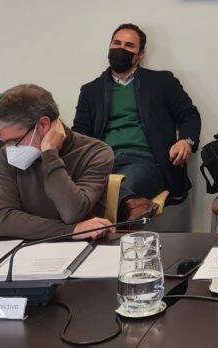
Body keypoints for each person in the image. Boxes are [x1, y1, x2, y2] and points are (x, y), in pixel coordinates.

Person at [74, 23, 202, 219]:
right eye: (116, 43)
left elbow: (189, 115)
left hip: (146, 162)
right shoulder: (90, 91)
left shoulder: (161, 82)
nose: (121, 49)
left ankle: (125, 203)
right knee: (74, 186)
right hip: (104, 162)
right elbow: (80, 133)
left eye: (129, 45)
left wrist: (186, 141)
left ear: (140, 54)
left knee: (102, 191)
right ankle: (132, 204)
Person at [0, 84, 115, 241]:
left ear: (43, 125)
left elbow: (72, 213)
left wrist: (49, 154)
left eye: (15, 141)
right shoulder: (6, 155)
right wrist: (70, 230)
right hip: (25, 247)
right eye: (5, 142)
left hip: (81, 247)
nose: (10, 148)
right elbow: (4, 221)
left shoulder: (96, 152)